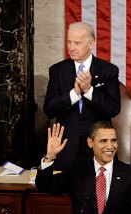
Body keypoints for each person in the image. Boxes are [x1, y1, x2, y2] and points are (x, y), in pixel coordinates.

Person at [35, 121, 131, 214]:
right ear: (90, 143)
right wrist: (50, 157)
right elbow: (45, 185)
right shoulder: (78, 171)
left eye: (113, 140)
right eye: (103, 141)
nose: (110, 146)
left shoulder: (130, 174)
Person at [43, 22, 121, 170]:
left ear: (91, 44)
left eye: (77, 43)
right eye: (69, 42)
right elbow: (49, 109)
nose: (71, 47)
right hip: (65, 148)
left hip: (97, 148)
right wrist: (75, 94)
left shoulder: (108, 71)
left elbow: (113, 109)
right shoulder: (57, 71)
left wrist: (89, 91)